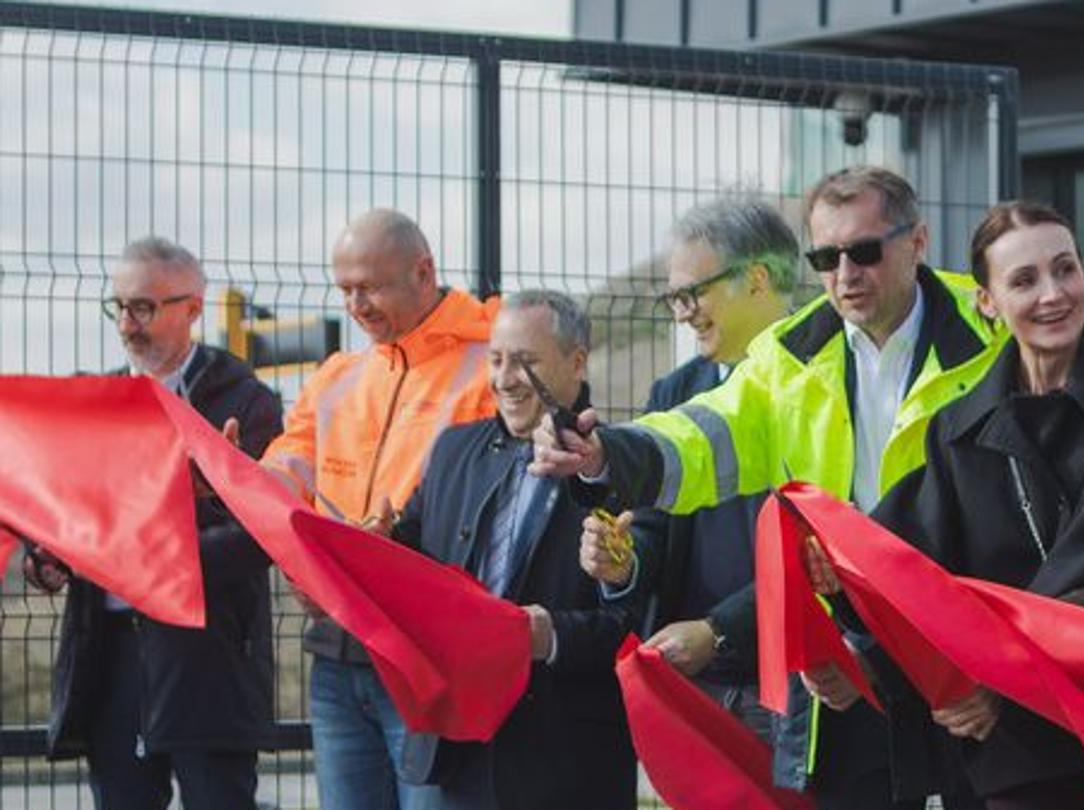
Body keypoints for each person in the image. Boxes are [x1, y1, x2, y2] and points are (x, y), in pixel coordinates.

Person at [549, 166, 1005, 809]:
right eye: (826, 256)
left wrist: (1004, 671)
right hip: (846, 670)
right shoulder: (789, 354)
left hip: (971, 662)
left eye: (865, 251)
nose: (845, 273)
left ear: (918, 243)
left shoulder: (990, 325)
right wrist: (605, 456)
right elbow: (703, 435)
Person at [862, 200, 1084, 809]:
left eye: (1065, 269)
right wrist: (848, 633)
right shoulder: (956, 427)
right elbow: (912, 567)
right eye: (1024, 280)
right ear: (987, 301)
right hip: (1011, 757)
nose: (1053, 294)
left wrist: (999, 678)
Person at [25, 237, 282, 809]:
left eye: (143, 307)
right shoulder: (97, 402)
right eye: (117, 306)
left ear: (193, 308)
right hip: (110, 656)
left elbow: (261, 534)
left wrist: (152, 563)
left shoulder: (245, 402)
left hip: (208, 656)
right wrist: (49, 559)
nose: (126, 324)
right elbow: (71, 516)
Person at [261, 208, 497, 810]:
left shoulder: (488, 368)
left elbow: (491, 515)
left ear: (424, 272)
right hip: (337, 657)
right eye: (345, 289)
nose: (357, 305)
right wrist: (249, 489)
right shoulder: (339, 375)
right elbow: (290, 463)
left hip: (429, 662)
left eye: (371, 286)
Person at [386, 291, 637, 810]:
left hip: (565, 758)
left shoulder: (624, 467)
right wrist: (368, 543)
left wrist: (548, 636)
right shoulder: (453, 451)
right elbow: (405, 561)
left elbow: (641, 618)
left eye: (526, 362)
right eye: (496, 359)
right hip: (456, 748)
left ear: (577, 362)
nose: (504, 378)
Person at [582, 196, 801, 743]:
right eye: (673, 297)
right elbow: (655, 525)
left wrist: (719, 631)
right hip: (700, 680)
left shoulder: (822, 385)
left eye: (691, 293)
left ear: (756, 279)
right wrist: (624, 563)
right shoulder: (675, 390)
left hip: (799, 683)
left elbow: (818, 550)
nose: (681, 313)